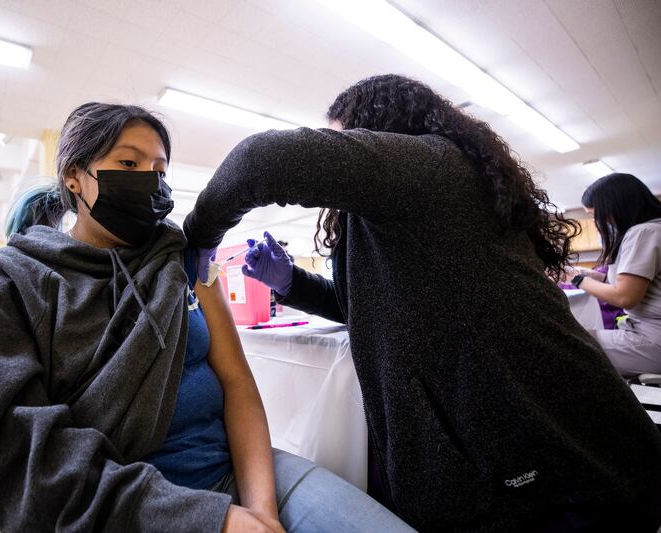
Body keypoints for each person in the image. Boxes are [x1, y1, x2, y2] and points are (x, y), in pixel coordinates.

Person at [183, 75, 661, 532]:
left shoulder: (433, 167)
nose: (344, 157)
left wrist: (198, 235)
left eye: (345, 139)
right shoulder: (396, 217)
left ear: (380, 130)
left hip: (553, 450)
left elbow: (262, 159)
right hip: (504, 450)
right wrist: (291, 282)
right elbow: (367, 312)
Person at [0, 102, 413, 532]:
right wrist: (216, 522)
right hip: (119, 511)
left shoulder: (183, 260)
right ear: (74, 175)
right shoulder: (7, 282)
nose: (148, 181)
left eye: (159, 169)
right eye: (129, 164)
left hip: (234, 474)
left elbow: (238, 384)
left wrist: (261, 512)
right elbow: (24, 462)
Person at [565, 173, 661, 376]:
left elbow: (624, 297)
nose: (597, 223)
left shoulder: (643, 233)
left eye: (594, 216)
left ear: (615, 208)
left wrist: (576, 279)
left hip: (654, 340)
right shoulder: (654, 228)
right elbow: (634, 282)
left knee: (567, 343)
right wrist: (591, 275)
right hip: (649, 333)